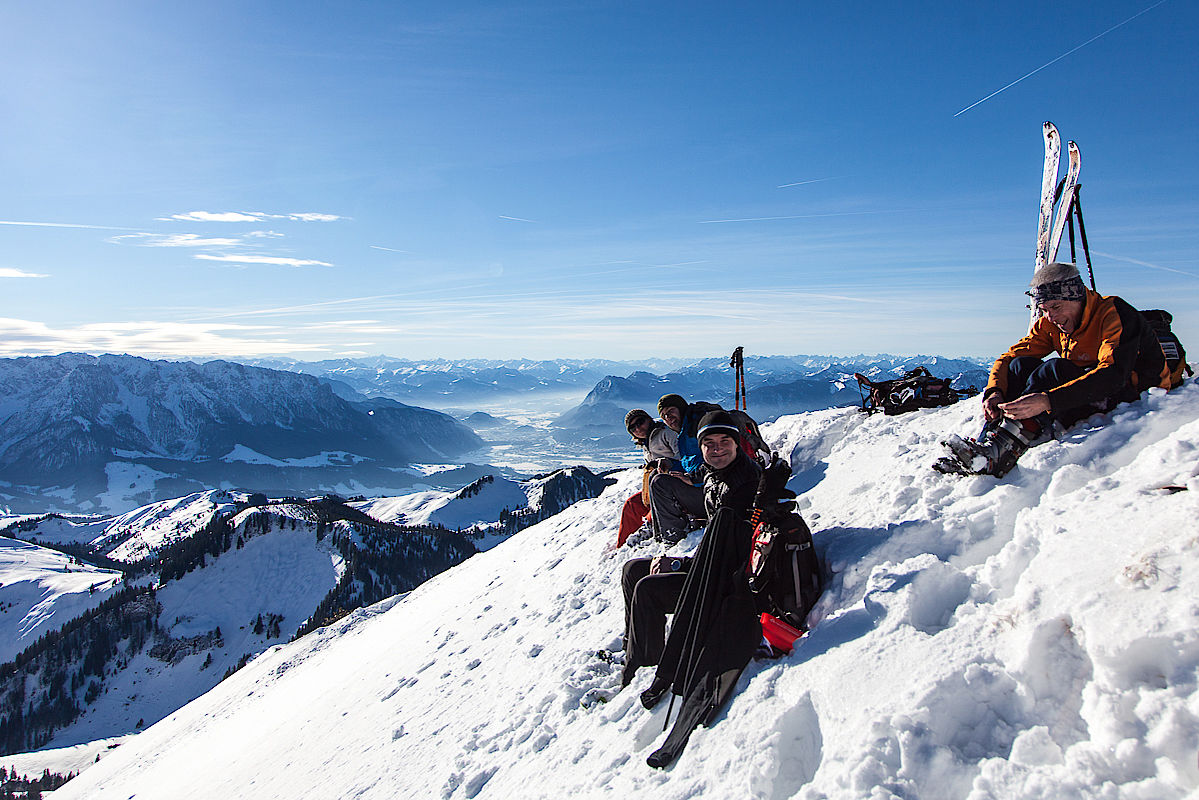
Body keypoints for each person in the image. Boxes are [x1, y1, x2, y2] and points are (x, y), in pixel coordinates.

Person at [938, 261, 1172, 477]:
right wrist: (994, 392)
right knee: (1020, 365)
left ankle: (1000, 453)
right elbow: (1011, 358)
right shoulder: (1051, 323)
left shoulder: (1113, 313)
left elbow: (1113, 374)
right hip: (1086, 391)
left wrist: (1048, 400)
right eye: (1044, 308)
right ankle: (986, 446)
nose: (1051, 316)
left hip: (1131, 393)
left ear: (1077, 297)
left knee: (1053, 370)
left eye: (1056, 307)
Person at [620, 410, 763, 691]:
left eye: (724, 441)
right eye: (709, 443)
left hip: (727, 585)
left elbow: (728, 556)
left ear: (737, 443)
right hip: (712, 564)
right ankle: (633, 648)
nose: (716, 448)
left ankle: (646, 667)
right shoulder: (719, 471)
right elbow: (702, 475)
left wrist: (678, 566)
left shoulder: (741, 489)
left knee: (648, 589)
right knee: (632, 570)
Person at [647, 394, 712, 543]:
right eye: (664, 416)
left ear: (681, 408)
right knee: (655, 475)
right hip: (703, 487)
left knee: (660, 483)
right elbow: (690, 463)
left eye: (671, 411)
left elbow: (717, 460)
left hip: (712, 494)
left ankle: (673, 538)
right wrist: (670, 464)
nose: (668, 417)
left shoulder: (697, 427)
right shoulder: (685, 433)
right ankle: (661, 535)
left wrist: (693, 479)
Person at [614, 409, 680, 548]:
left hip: (674, 483)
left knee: (655, 509)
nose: (638, 428)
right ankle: (622, 546)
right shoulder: (646, 443)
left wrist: (669, 464)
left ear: (648, 419)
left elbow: (683, 456)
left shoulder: (666, 433)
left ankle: (647, 531)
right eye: (633, 427)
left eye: (640, 422)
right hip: (655, 486)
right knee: (631, 505)